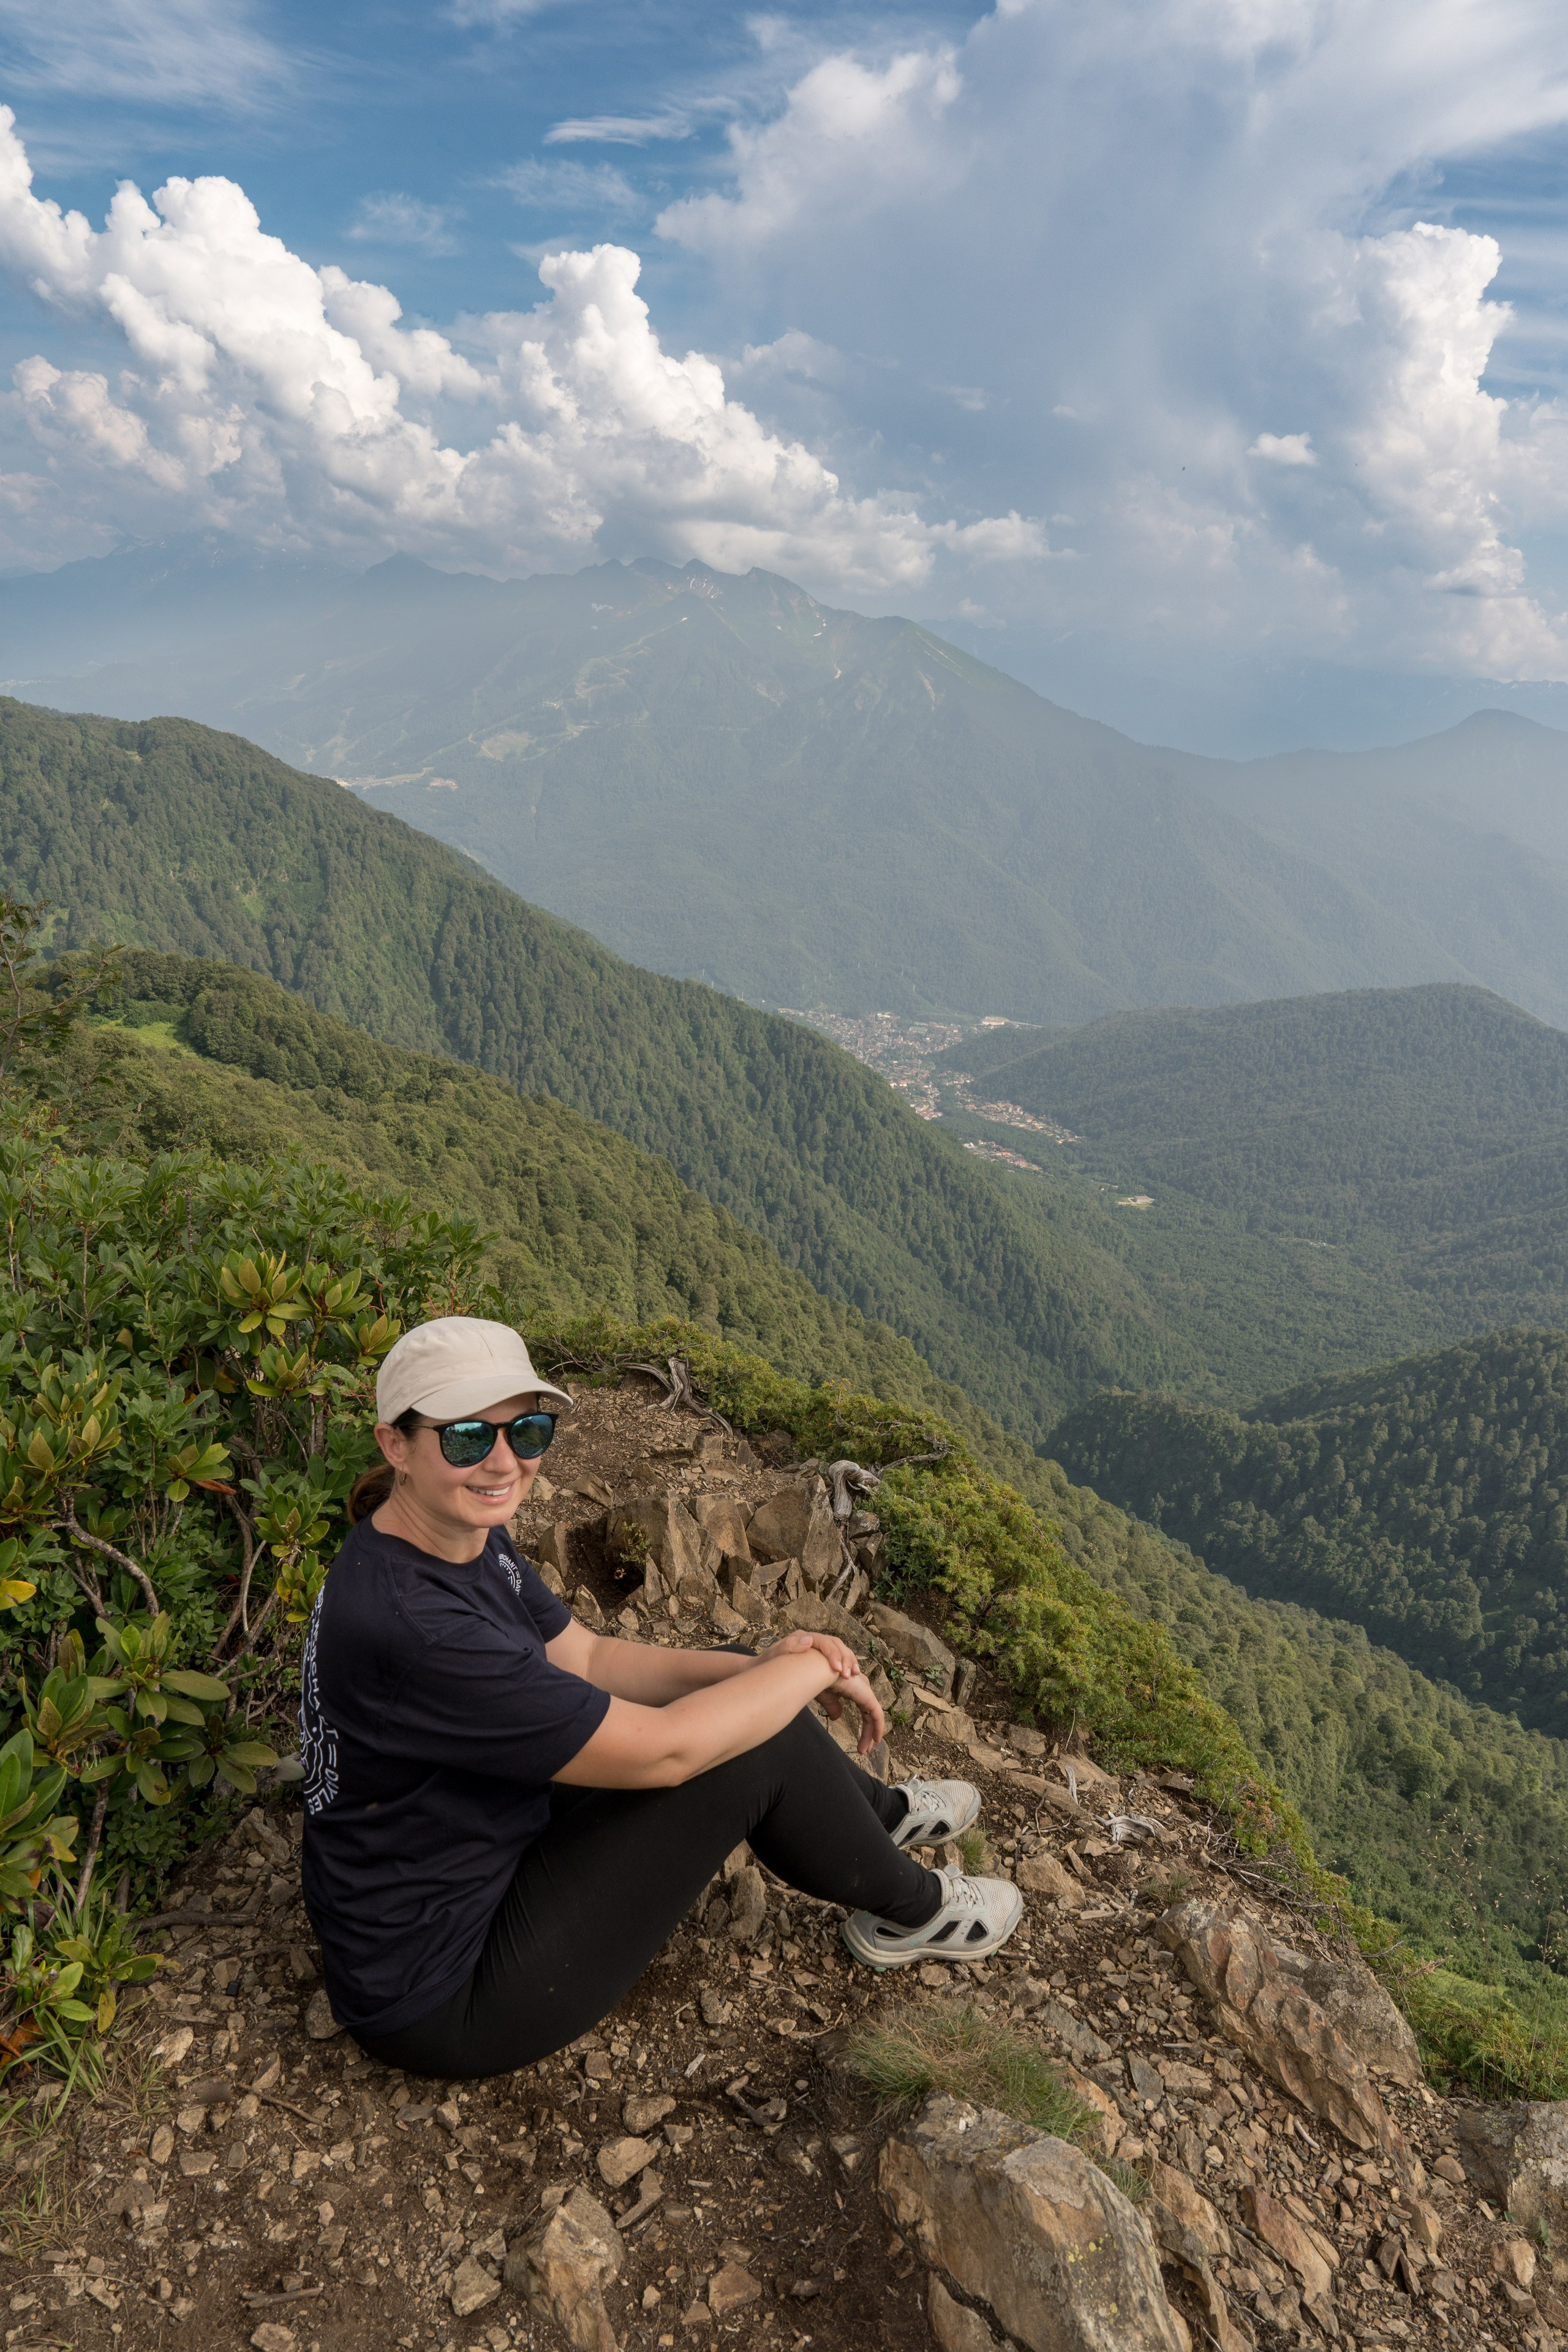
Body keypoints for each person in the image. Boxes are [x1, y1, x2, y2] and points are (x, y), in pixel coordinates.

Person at [298, 1315, 1023, 2078]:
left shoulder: (449, 1532)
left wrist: (762, 1665)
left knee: (738, 1678)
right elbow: (667, 1753)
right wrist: (811, 1669)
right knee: (754, 1741)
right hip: (444, 1990)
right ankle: (917, 1911)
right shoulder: (416, 1625)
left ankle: (876, 1818)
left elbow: (589, 1657)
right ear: (395, 1445)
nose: (504, 1461)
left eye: (527, 1432)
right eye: (467, 1438)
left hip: (482, 1840)